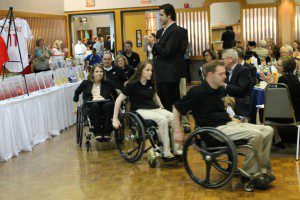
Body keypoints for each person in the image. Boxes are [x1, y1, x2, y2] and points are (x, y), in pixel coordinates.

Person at [173, 60, 275, 185]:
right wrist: (178, 130)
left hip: (227, 124)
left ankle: (263, 170)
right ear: (210, 75)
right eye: (221, 74)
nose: (225, 76)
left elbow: (219, 110)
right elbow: (176, 108)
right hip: (213, 131)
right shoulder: (197, 92)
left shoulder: (220, 89)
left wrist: (231, 118)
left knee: (268, 130)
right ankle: (249, 174)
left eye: (224, 73)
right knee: (256, 135)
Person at [112, 62, 180, 161]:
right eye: (147, 70)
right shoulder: (132, 85)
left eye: (151, 70)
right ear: (140, 71)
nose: (150, 72)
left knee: (174, 117)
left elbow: (155, 96)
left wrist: (162, 108)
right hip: (140, 110)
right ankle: (166, 152)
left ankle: (176, 150)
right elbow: (119, 99)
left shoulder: (150, 83)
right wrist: (115, 118)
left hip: (154, 108)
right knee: (163, 120)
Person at [145, 3, 184, 112]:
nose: (159, 18)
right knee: (163, 103)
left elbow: (167, 52)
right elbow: (159, 51)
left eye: (161, 15)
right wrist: (152, 45)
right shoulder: (161, 31)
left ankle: (174, 127)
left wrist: (154, 44)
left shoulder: (175, 31)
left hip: (169, 73)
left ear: (169, 15)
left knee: (170, 104)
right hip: (161, 72)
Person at [73, 64, 118, 142]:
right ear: (92, 73)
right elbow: (77, 92)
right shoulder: (85, 83)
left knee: (107, 105)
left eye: (101, 71)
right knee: (95, 105)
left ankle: (107, 132)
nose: (99, 73)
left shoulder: (107, 83)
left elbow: (115, 95)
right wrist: (75, 106)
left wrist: (118, 105)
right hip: (91, 104)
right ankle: (97, 132)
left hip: (105, 102)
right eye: (97, 71)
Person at [222, 49, 252, 117]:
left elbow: (240, 90)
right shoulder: (225, 70)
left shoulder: (243, 70)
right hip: (228, 100)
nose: (222, 61)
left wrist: (223, 85)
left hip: (240, 101)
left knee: (223, 101)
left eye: (223, 59)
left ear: (230, 59)